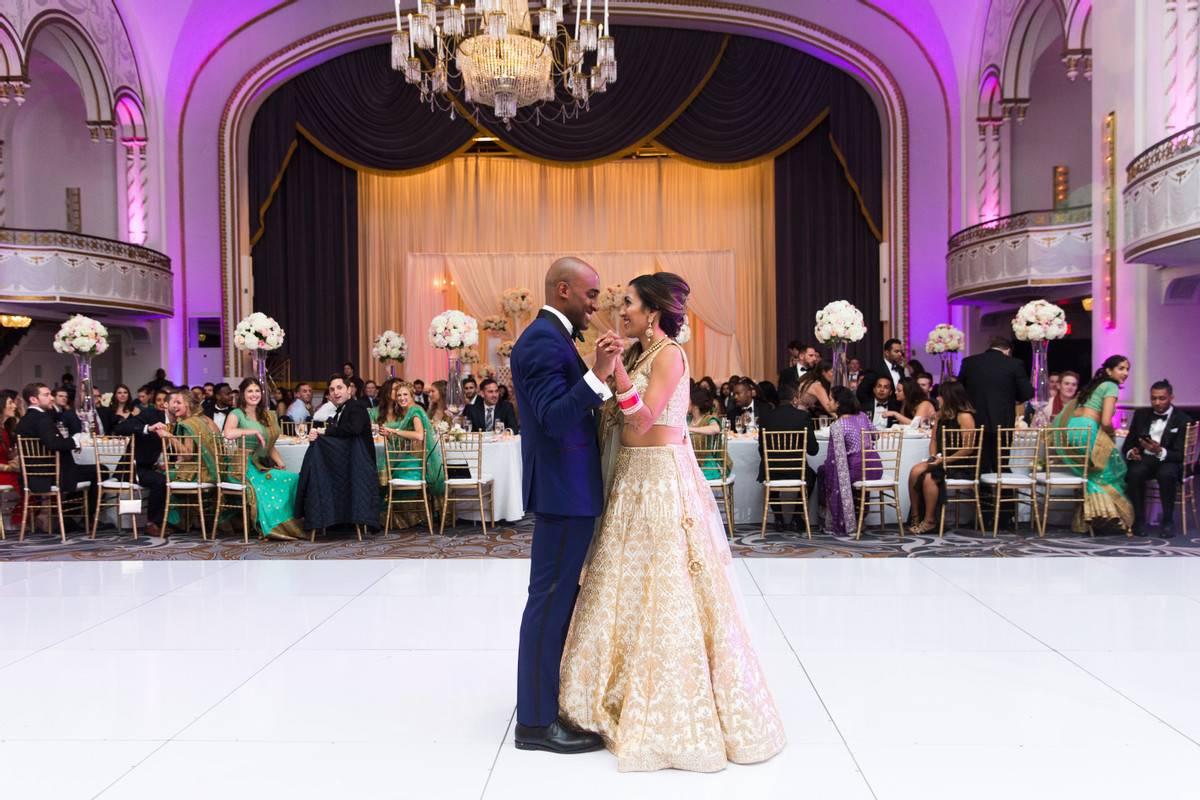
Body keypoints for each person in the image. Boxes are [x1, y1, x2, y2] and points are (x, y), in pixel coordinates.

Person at [558, 271, 785, 772]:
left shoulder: (670, 356)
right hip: (630, 478)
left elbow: (643, 419)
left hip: (660, 480)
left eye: (630, 304)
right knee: (623, 585)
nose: (622, 311)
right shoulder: (641, 353)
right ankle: (608, 689)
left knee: (667, 587)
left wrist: (615, 374)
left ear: (654, 311)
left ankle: (671, 701)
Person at [510, 257, 619, 756]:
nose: (596, 304)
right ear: (562, 290)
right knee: (548, 602)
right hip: (561, 491)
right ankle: (534, 723)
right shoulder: (539, 341)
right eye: (591, 294)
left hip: (570, 490)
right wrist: (596, 377)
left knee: (556, 603)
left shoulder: (552, 340)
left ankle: (543, 705)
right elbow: (554, 418)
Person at [1050, 355, 1134, 533]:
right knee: (1110, 471)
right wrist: (1111, 434)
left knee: (1091, 473)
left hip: (1074, 429)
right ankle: (1105, 516)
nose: (1125, 373)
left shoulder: (1094, 386)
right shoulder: (1111, 386)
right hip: (1088, 431)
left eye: (1127, 369)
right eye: (1121, 368)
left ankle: (1087, 519)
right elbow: (1105, 421)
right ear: (1109, 371)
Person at [222, 377, 302, 540]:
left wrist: (280, 463)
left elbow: (270, 445)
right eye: (250, 391)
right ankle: (272, 526)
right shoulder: (236, 413)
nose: (254, 394)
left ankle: (288, 524)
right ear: (243, 394)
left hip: (260, 465)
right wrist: (252, 432)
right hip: (242, 467)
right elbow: (227, 433)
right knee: (267, 483)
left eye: (257, 390)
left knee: (292, 478)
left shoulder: (266, 415)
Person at [298, 375, 379, 533]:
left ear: (349, 390)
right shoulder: (341, 410)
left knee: (319, 471)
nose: (336, 392)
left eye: (340, 388)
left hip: (361, 467)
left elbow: (354, 429)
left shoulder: (355, 407)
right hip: (350, 464)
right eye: (332, 389)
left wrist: (323, 431)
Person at [1121, 379, 1192, 536]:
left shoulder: (1183, 420)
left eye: (1162, 398)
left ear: (1171, 398)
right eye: (1153, 398)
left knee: (1166, 474)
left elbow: (1181, 455)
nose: (1157, 402)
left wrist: (1160, 451)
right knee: (1134, 473)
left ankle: (1167, 521)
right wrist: (1131, 452)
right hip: (1146, 460)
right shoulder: (1141, 415)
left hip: (1169, 460)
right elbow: (1128, 444)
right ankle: (1139, 520)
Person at [906, 381, 978, 534]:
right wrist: (933, 456)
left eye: (940, 395)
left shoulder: (965, 416)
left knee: (929, 477)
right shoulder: (940, 416)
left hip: (959, 464)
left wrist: (945, 460)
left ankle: (930, 520)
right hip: (941, 459)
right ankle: (915, 516)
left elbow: (968, 449)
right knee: (914, 471)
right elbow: (933, 440)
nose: (937, 398)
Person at [958, 336, 1034, 474]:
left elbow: (959, 390)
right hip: (1003, 421)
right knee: (1001, 462)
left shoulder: (969, 362)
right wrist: (1014, 398)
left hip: (975, 421)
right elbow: (1027, 392)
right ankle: (1003, 493)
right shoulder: (1014, 364)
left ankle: (981, 492)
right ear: (1008, 350)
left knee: (979, 462)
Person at [819, 387, 881, 536]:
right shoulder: (862, 416)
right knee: (827, 469)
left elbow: (838, 461)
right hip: (875, 467)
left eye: (831, 399)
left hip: (858, 468)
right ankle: (860, 517)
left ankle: (831, 520)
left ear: (838, 404)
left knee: (824, 472)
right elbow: (876, 436)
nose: (828, 402)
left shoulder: (838, 425)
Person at [757, 382, 819, 531]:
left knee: (768, 471)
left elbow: (761, 449)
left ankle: (778, 518)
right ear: (795, 399)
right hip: (797, 471)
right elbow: (813, 450)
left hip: (771, 471)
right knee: (811, 476)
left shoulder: (765, 418)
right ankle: (797, 517)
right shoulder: (803, 416)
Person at [159, 390, 222, 529]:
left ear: (187, 405)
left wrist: (169, 436)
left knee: (163, 478)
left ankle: (175, 523)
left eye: (178, 402)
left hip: (202, 474)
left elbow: (187, 455)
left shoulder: (188, 424)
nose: (174, 406)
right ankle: (189, 520)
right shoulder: (206, 419)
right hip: (218, 469)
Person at [113, 395, 170, 538]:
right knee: (160, 481)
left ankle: (170, 521)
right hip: (133, 468)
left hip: (152, 467)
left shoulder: (182, 422)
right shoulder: (151, 415)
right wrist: (148, 428)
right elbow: (121, 428)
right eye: (174, 402)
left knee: (172, 477)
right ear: (167, 405)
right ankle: (151, 524)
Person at [378, 381, 445, 498]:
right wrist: (389, 430)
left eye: (405, 395)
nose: (401, 398)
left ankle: (406, 514)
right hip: (413, 461)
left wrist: (394, 431)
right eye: (399, 395)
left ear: (411, 396)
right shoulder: (409, 411)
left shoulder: (415, 411)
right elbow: (399, 427)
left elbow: (419, 435)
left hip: (416, 465)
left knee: (388, 479)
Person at [0, 390, 24, 528]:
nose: (14, 406)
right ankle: (16, 522)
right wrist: (9, 466)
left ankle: (17, 521)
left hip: (7, 469)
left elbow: (6, 454)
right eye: (10, 403)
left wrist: (15, 455)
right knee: (26, 482)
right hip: (3, 471)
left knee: (29, 479)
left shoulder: (5, 428)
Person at [858, 338, 906, 405]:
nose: (900, 354)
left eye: (901, 352)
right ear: (887, 353)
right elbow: (862, 392)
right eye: (896, 351)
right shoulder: (876, 369)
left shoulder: (900, 369)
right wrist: (872, 407)